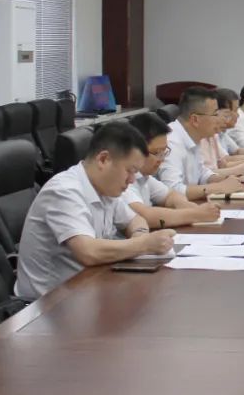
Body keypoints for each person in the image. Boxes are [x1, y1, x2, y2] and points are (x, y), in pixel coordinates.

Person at [15, 122, 177, 299]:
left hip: (87, 289)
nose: (132, 180)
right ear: (103, 159)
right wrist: (144, 244)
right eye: (130, 171)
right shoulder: (64, 191)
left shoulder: (106, 187)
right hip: (47, 304)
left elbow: (135, 220)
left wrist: (140, 236)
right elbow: (88, 252)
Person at [125, 113, 223, 229]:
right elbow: (145, 216)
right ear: (135, 150)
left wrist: (185, 205)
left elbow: (171, 195)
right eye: (156, 153)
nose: (162, 159)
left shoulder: (145, 177)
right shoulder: (124, 179)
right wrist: (195, 214)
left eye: (164, 151)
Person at [157, 86, 244, 201]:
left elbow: (202, 173)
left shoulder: (195, 136)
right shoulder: (171, 142)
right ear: (195, 120)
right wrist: (219, 187)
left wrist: (230, 180)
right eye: (215, 115)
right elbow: (172, 190)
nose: (219, 120)